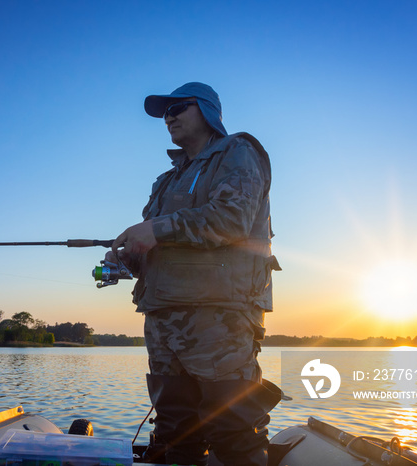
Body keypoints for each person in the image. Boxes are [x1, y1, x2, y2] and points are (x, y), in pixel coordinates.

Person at [107, 83, 282, 466]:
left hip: (220, 318)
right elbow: (156, 244)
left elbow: (231, 220)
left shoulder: (238, 151)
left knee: (232, 429)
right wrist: (127, 257)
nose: (169, 117)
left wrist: (154, 230)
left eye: (178, 108)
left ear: (206, 110)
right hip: (162, 320)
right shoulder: (166, 181)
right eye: (164, 112)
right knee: (174, 429)